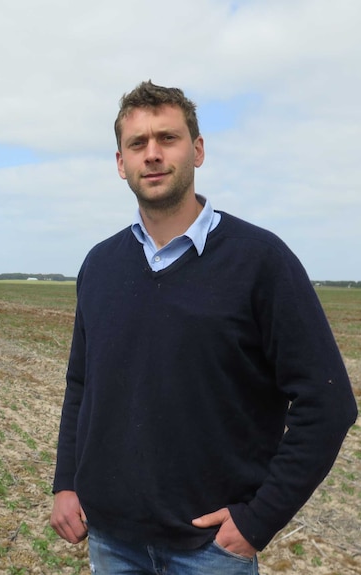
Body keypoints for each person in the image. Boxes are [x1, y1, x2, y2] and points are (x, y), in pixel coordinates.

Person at [50, 81, 357, 574]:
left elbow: (328, 402)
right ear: (120, 163)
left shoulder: (261, 261)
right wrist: (66, 482)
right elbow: (82, 386)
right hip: (110, 541)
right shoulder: (100, 265)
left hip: (210, 552)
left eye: (167, 139)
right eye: (138, 144)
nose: (152, 155)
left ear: (197, 150)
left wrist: (261, 517)